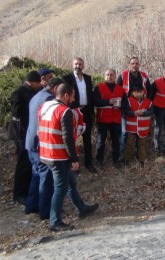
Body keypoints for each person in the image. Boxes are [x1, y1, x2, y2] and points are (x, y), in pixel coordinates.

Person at [38, 83, 99, 232]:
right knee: (60, 188)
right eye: (72, 96)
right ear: (66, 95)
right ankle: (55, 221)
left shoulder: (45, 106)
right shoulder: (65, 111)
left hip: (46, 152)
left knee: (70, 182)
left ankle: (82, 208)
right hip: (58, 156)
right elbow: (67, 138)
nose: (73, 99)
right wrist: (74, 159)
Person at [25, 76, 61, 219]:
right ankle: (45, 211)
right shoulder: (48, 100)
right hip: (40, 143)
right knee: (45, 178)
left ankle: (31, 206)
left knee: (36, 175)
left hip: (30, 141)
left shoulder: (36, 95)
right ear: (56, 88)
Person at [10, 70, 42, 205]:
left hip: (31, 132)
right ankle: (18, 193)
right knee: (23, 164)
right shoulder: (18, 94)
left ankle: (28, 190)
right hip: (21, 134)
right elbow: (17, 114)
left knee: (30, 164)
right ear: (31, 82)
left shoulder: (35, 92)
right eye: (37, 83)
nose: (39, 85)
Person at [63, 57, 97, 173]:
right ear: (72, 65)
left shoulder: (87, 78)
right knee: (73, 139)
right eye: (76, 64)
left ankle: (89, 163)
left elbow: (90, 96)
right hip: (73, 111)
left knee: (87, 139)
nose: (78, 66)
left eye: (80, 64)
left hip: (86, 111)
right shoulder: (67, 78)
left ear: (83, 65)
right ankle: (74, 164)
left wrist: (92, 112)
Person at [93, 69, 127, 169]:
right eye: (107, 75)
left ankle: (116, 160)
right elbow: (95, 102)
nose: (109, 77)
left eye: (111, 75)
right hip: (103, 118)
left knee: (116, 141)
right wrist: (108, 101)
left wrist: (121, 105)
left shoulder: (120, 89)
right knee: (100, 141)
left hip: (115, 119)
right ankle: (99, 160)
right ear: (104, 76)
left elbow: (125, 103)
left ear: (115, 76)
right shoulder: (98, 87)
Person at [117, 57, 152, 154]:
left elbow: (149, 89)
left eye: (136, 63)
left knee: (140, 132)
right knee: (124, 132)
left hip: (140, 106)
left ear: (139, 64)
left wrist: (147, 101)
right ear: (129, 64)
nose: (134, 65)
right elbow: (117, 89)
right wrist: (120, 104)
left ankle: (139, 154)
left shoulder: (144, 75)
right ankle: (123, 155)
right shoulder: (123, 75)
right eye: (132, 63)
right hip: (126, 107)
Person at [121, 85, 153, 167]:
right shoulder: (129, 100)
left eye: (140, 92)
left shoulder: (148, 102)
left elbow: (151, 112)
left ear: (143, 92)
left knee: (142, 144)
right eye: (136, 92)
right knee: (129, 143)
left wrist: (143, 113)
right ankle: (126, 159)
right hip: (131, 128)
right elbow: (126, 111)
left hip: (143, 128)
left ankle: (141, 160)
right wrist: (134, 113)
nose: (139, 94)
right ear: (132, 92)